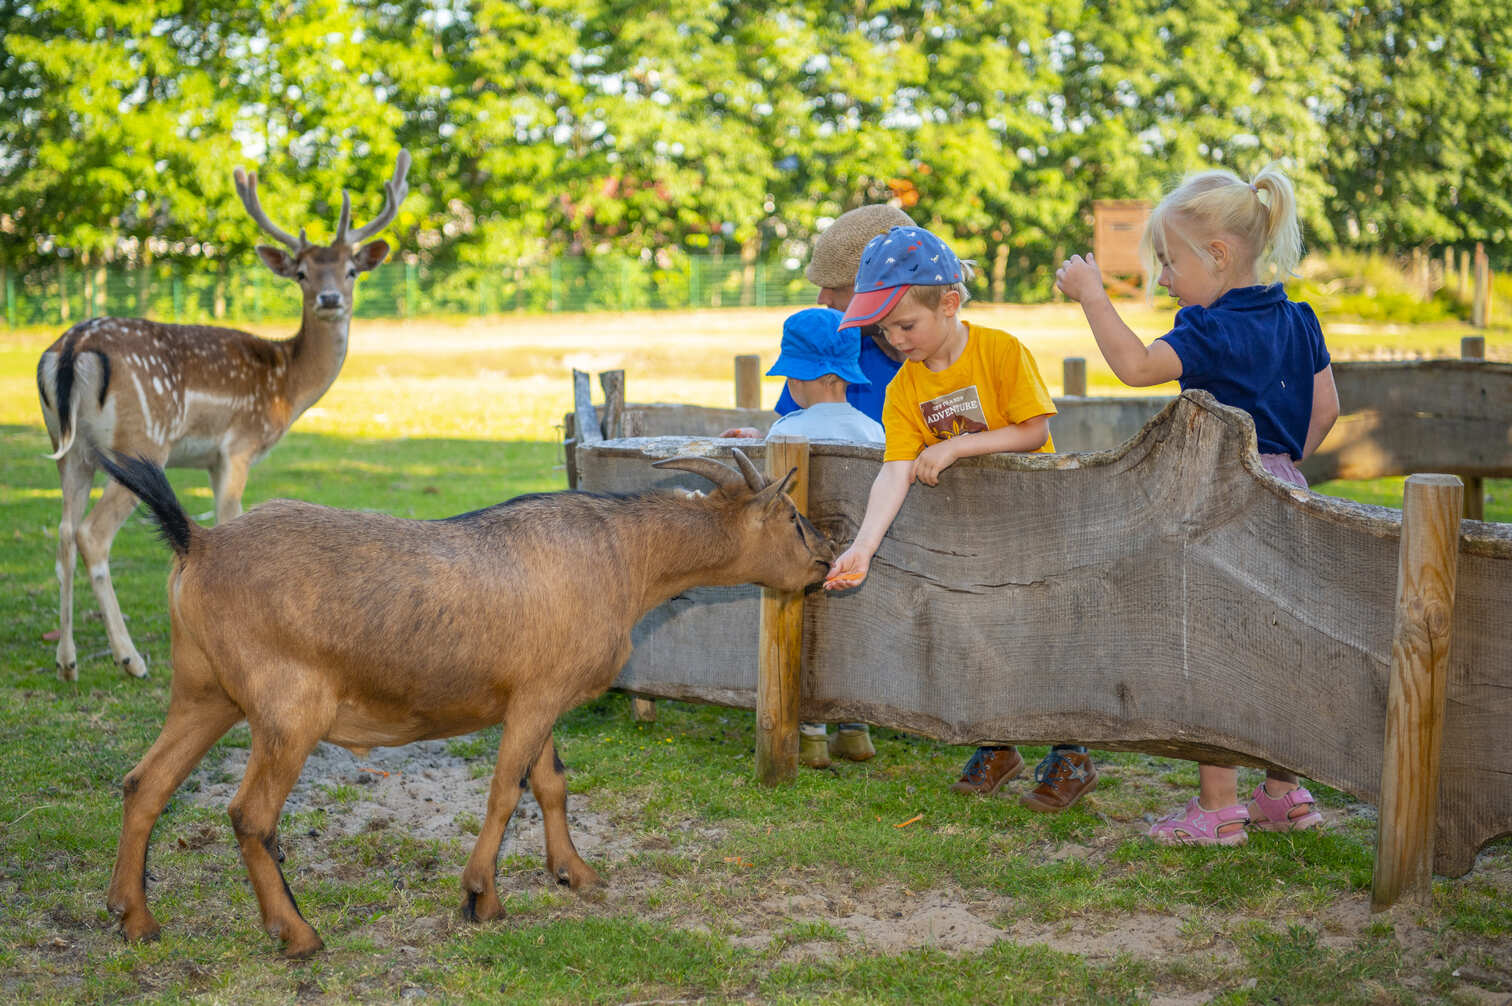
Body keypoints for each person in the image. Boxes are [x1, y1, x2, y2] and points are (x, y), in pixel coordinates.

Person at [1054, 163, 1340, 845]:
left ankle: (1218, 809)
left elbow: (1134, 367)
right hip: (1286, 496)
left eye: (1169, 261)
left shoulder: (1210, 330)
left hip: (1223, 506)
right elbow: (1327, 409)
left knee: (1214, 649)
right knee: (1276, 648)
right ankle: (1284, 793)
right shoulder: (1300, 319)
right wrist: (1278, 465)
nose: (1163, 278)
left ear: (1217, 254)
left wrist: (1093, 295)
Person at [824, 225, 1102, 813]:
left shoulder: (1000, 351)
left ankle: (1071, 753)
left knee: (1042, 640)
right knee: (981, 638)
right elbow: (895, 470)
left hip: (1035, 527)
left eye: (906, 325)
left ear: (949, 303)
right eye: (884, 331)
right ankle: (996, 744)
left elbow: (1034, 430)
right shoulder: (904, 388)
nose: (895, 340)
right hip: (973, 540)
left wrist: (955, 447)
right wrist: (863, 547)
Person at [759, 306, 886, 767]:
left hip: (801, 566)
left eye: (792, 375)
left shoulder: (786, 431)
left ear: (807, 377)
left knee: (806, 636)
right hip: (858, 563)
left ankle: (811, 736)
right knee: (852, 637)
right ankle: (855, 731)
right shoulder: (873, 432)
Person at [721, 204, 913, 439]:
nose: (822, 299)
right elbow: (796, 436)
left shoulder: (947, 363)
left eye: (836, 288)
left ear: (886, 287)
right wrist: (758, 441)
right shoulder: (834, 349)